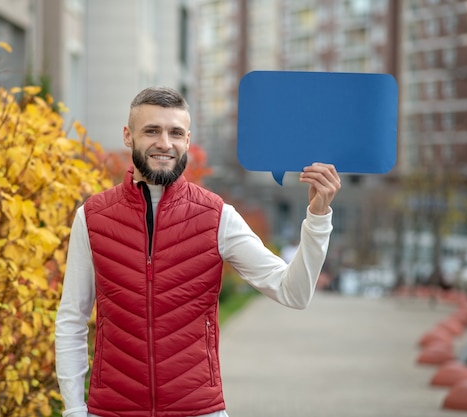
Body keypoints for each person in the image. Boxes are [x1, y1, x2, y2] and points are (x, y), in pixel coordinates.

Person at [55, 86, 341, 417]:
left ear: (187, 141)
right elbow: (72, 319)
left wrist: (318, 217)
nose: (164, 143)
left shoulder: (217, 216)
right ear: (128, 136)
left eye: (175, 132)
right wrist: (75, 410)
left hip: (198, 410)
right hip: (111, 410)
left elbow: (294, 292)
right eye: (151, 130)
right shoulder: (92, 217)